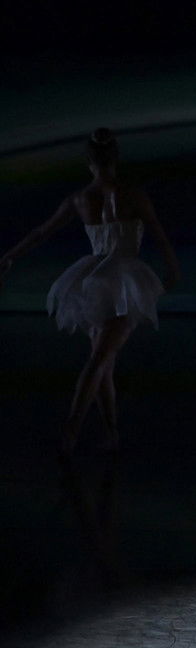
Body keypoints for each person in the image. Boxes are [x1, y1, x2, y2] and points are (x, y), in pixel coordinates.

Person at [0, 128, 180, 457]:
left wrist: (9, 256)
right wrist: (172, 268)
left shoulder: (80, 198)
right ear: (115, 158)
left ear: (89, 163)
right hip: (121, 280)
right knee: (100, 360)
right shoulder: (132, 193)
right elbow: (157, 232)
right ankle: (72, 429)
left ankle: (111, 433)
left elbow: (40, 232)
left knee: (103, 361)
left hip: (93, 279)